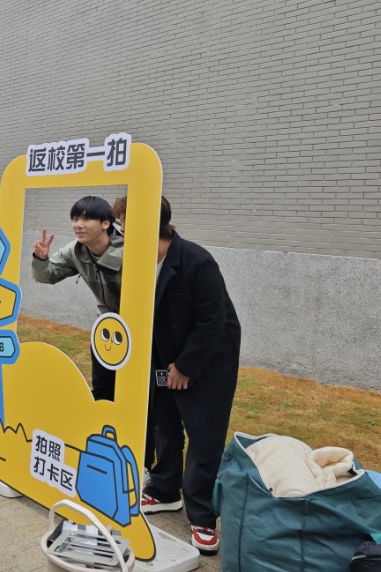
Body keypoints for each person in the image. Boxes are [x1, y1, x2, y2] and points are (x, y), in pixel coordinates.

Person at [121, 195, 240, 555]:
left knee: (204, 437)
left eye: (126, 221)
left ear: (152, 222)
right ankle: (164, 490)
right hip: (164, 357)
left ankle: (203, 517)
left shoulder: (197, 261)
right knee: (165, 424)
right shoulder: (138, 261)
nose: (121, 229)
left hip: (208, 360)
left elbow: (212, 321)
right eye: (121, 221)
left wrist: (186, 367)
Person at [31, 195, 123, 401]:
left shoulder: (128, 248)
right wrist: (41, 259)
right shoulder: (76, 250)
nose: (78, 225)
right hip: (106, 324)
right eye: (75, 219)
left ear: (105, 223)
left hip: (141, 326)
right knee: (103, 388)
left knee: (139, 389)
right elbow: (45, 276)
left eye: (86, 219)